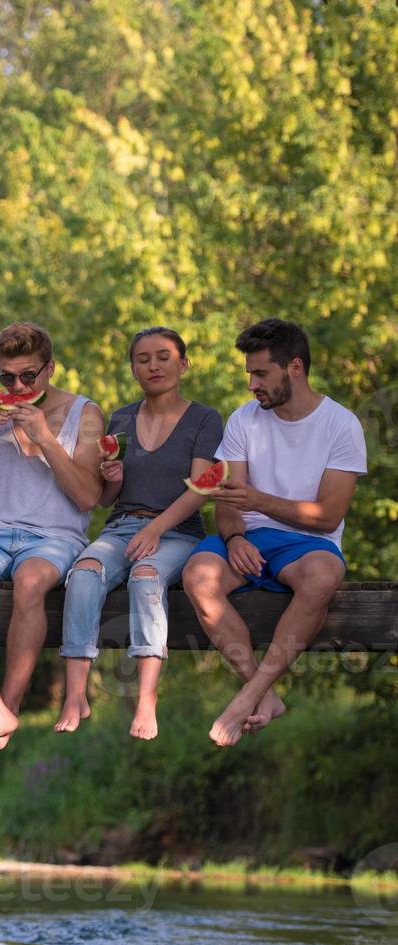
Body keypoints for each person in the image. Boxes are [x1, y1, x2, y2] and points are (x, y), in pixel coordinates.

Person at [181, 318, 365, 747]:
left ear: (294, 367)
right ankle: (261, 692)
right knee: (197, 575)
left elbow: (329, 517)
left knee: (323, 576)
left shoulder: (341, 425)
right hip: (249, 538)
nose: (251, 384)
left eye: (261, 373)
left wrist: (259, 501)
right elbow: (229, 503)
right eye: (249, 373)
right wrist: (234, 538)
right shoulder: (243, 420)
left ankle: (246, 697)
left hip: (309, 544)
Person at [0, 322, 104, 751]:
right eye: (6, 378)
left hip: (55, 535)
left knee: (30, 582)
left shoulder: (86, 413)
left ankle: (9, 705)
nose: (18, 385)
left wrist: (45, 437)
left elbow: (87, 497)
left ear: (50, 368)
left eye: (28, 376)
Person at [55, 327, 222, 740]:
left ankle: (147, 698)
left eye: (163, 357)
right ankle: (75, 693)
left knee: (145, 578)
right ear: (133, 368)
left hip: (178, 531)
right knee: (84, 572)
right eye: (143, 359)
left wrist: (157, 528)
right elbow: (110, 498)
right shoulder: (121, 418)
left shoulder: (204, 419)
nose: (153, 366)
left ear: (183, 364)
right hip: (123, 527)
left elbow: (202, 487)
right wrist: (112, 477)